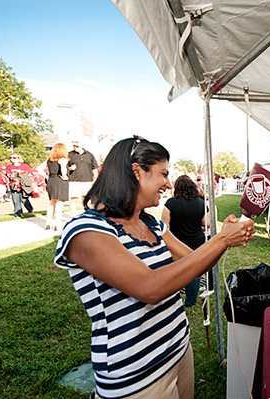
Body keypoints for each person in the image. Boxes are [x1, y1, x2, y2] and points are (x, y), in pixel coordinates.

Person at [54, 137, 254, 399]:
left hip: (178, 348)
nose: (168, 184)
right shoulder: (86, 231)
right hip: (136, 375)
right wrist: (220, 240)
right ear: (137, 171)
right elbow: (150, 287)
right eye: (163, 174)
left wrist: (225, 238)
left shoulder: (152, 224)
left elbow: (195, 262)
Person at [161, 175, 210, 308]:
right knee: (194, 271)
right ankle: (190, 300)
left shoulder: (170, 203)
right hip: (197, 241)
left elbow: (164, 225)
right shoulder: (201, 203)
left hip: (176, 243)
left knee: (175, 270)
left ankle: (174, 297)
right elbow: (207, 223)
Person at [68, 139, 99, 217]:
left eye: (77, 145)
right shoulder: (70, 155)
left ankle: (86, 215)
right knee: (73, 199)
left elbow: (94, 168)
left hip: (87, 180)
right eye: (74, 146)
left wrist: (96, 178)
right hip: (74, 180)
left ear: (82, 145)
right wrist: (70, 168)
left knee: (86, 199)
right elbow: (64, 167)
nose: (75, 147)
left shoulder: (89, 155)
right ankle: (73, 216)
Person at [44, 143, 70, 231]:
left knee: (52, 203)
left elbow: (38, 169)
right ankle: (58, 224)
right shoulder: (62, 159)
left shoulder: (49, 160)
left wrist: (46, 176)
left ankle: (48, 223)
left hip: (51, 180)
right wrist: (65, 177)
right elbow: (63, 169)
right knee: (59, 204)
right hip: (59, 181)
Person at [4, 153, 34, 217]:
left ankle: (30, 209)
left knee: (24, 199)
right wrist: (16, 177)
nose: (12, 159)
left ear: (18, 158)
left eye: (14, 158)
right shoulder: (9, 167)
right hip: (14, 185)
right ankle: (18, 213)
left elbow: (29, 173)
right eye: (11, 158)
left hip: (24, 184)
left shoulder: (24, 166)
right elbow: (9, 175)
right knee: (15, 199)